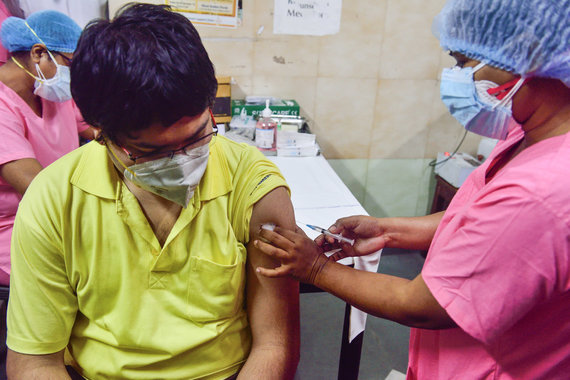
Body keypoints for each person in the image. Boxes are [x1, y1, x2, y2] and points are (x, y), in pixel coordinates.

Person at [255, 0, 570, 378]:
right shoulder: (530, 132)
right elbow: (481, 220)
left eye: (464, 63)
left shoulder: (542, 190)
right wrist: (390, 230)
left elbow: (421, 304)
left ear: (528, 55)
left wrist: (316, 268)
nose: (455, 76)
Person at [6, 4, 299, 379]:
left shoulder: (254, 188)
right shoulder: (53, 201)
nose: (181, 161)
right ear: (100, 133)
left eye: (196, 138)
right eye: (151, 152)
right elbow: (35, 362)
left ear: (210, 108)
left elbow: (275, 345)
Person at [0, 10, 94, 286]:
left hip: (59, 212)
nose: (72, 77)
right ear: (39, 53)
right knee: (87, 267)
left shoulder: (51, 93)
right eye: (70, 65)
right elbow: (33, 185)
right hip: (12, 226)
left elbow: (97, 130)